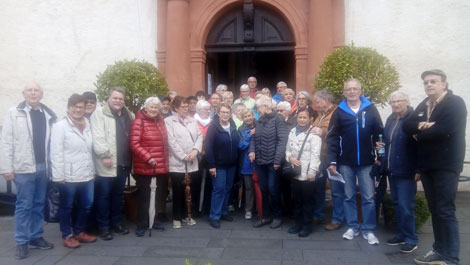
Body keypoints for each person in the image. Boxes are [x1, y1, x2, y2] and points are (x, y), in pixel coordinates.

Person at [404, 70, 467, 265]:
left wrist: (419, 133)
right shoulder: (425, 104)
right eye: (426, 82)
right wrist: (425, 124)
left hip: (446, 164)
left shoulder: (455, 103)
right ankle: (438, 250)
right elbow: (407, 126)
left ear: (444, 84)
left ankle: (451, 257)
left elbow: (445, 130)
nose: (429, 85)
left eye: (433, 82)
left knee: (445, 209)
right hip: (427, 165)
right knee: (435, 209)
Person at [0, 81, 56, 259]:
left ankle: (36, 237)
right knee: (24, 205)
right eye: (29, 90)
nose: (33, 93)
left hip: (42, 167)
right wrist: (6, 167)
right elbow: (6, 142)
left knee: (39, 203)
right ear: (23, 94)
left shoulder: (48, 114)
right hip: (23, 167)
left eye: (36, 90)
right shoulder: (14, 113)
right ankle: (22, 241)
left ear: (42, 94)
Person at [327, 78, 383, 245]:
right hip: (345, 162)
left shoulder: (371, 109)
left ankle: (368, 229)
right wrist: (332, 161)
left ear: (360, 90)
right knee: (348, 196)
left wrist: (380, 157)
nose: (351, 92)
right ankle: (352, 226)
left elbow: (380, 135)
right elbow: (332, 138)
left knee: (368, 197)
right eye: (348, 89)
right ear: (344, 92)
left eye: (354, 89)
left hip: (366, 162)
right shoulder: (339, 111)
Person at [51, 94, 97, 248]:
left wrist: (94, 171)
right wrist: (58, 175)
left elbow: (90, 150)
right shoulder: (60, 126)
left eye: (81, 107)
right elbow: (55, 152)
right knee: (67, 206)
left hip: (87, 173)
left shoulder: (87, 123)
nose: (78, 110)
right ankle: (67, 235)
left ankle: (79, 231)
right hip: (68, 175)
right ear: (69, 108)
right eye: (75, 107)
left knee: (87, 204)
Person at [376, 91, 419, 253]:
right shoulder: (391, 119)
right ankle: (401, 234)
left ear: (406, 101)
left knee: (406, 205)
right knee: (397, 203)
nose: (395, 104)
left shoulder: (413, 119)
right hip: (391, 168)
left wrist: (419, 168)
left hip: (406, 169)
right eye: (392, 102)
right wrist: (381, 146)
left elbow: (420, 146)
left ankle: (411, 239)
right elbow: (387, 141)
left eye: (399, 101)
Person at [90, 86, 134, 241]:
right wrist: (104, 155)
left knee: (117, 195)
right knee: (103, 196)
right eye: (115, 98)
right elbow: (98, 136)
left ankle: (116, 223)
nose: (118, 101)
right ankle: (103, 227)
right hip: (107, 163)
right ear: (109, 98)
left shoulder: (128, 114)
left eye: (121, 99)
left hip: (123, 162)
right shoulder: (100, 113)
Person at [129, 97, 169, 237]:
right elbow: (134, 144)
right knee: (145, 197)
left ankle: (154, 220)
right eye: (151, 107)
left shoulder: (161, 121)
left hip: (160, 166)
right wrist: (148, 157)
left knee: (157, 197)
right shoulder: (139, 122)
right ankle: (141, 224)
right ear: (146, 108)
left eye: (156, 107)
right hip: (146, 166)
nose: (154, 109)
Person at [249, 95, 288, 229]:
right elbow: (253, 138)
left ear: (265, 106)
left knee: (273, 189)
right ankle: (265, 216)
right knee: (264, 189)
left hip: (273, 162)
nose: (257, 110)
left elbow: (283, 140)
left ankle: (277, 216)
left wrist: (277, 160)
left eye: (258, 107)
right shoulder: (259, 121)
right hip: (260, 161)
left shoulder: (279, 119)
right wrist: (252, 151)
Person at [164, 96, 203, 228]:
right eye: (183, 107)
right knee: (178, 190)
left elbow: (199, 136)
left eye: (187, 107)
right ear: (175, 108)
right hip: (177, 162)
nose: (186, 109)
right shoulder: (169, 121)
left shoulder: (192, 120)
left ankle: (188, 214)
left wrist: (195, 151)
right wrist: (183, 155)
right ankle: (177, 217)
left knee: (191, 189)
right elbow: (171, 141)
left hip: (192, 160)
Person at [286, 107, 321, 237]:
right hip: (295, 172)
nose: (301, 120)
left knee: (307, 201)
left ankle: (307, 225)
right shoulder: (292, 131)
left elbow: (315, 155)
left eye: (304, 117)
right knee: (297, 200)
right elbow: (287, 150)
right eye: (300, 117)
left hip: (307, 174)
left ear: (310, 119)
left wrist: (312, 172)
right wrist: (290, 158)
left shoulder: (314, 135)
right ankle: (298, 223)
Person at [205, 103, 241, 228]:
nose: (225, 114)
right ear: (218, 113)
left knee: (227, 188)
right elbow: (208, 147)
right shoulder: (213, 127)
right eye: (223, 112)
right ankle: (214, 216)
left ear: (230, 113)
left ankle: (223, 212)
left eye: (227, 112)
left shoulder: (233, 125)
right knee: (218, 190)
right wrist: (211, 165)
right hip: (218, 165)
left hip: (231, 164)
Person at [311, 89, 343, 231]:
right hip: (320, 157)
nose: (316, 104)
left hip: (332, 157)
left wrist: (321, 132)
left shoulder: (337, 113)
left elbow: (331, 131)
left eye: (318, 101)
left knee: (336, 189)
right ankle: (318, 214)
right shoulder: (321, 114)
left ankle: (337, 219)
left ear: (326, 100)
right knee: (318, 187)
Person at [194, 100, 212, 214]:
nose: (208, 111)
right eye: (206, 109)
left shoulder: (212, 121)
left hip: (209, 155)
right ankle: (196, 207)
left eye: (209, 109)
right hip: (196, 155)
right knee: (196, 181)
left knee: (209, 182)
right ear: (199, 110)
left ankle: (207, 206)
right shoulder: (192, 121)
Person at [238, 109, 256, 220]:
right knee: (249, 187)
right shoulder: (240, 129)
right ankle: (248, 209)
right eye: (245, 116)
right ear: (242, 118)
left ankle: (260, 208)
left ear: (253, 115)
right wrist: (249, 135)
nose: (248, 118)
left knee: (261, 187)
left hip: (259, 161)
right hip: (246, 163)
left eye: (249, 115)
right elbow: (240, 145)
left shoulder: (259, 125)